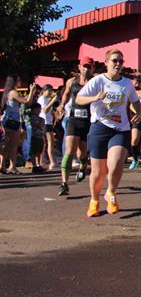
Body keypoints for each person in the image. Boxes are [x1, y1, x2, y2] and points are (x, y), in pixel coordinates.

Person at [76, 49, 141, 217]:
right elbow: (79, 99)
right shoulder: (98, 81)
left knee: (116, 163)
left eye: (120, 61)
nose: (118, 64)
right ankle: (94, 200)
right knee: (98, 172)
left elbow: (134, 100)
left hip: (120, 129)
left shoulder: (126, 83)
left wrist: (138, 113)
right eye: (114, 60)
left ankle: (111, 192)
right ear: (106, 63)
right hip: (100, 127)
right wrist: (95, 98)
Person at [57, 57, 95, 195]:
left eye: (89, 66)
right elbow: (66, 94)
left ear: (93, 68)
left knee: (82, 152)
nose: (86, 69)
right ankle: (64, 183)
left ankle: (83, 166)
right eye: (84, 66)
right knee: (70, 149)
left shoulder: (95, 82)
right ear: (79, 67)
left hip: (88, 120)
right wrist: (61, 105)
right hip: (73, 118)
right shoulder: (72, 81)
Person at [1, 77, 38, 174]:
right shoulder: (14, 92)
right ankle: (12, 167)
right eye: (19, 80)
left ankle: (2, 166)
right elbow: (27, 102)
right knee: (13, 145)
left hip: (7, 120)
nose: (20, 82)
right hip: (13, 121)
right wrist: (32, 91)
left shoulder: (7, 92)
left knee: (6, 145)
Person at [36, 84, 58, 170]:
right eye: (49, 91)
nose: (50, 93)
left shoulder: (46, 99)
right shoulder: (42, 99)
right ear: (44, 91)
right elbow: (44, 110)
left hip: (48, 122)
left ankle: (42, 161)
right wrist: (52, 101)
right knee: (50, 142)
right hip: (45, 122)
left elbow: (49, 110)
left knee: (46, 143)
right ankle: (52, 162)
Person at [27, 102, 47, 174]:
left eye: (39, 109)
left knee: (39, 151)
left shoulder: (40, 118)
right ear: (33, 110)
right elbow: (38, 124)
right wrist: (41, 122)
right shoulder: (32, 117)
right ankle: (34, 166)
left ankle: (38, 165)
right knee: (34, 152)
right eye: (37, 109)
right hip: (34, 136)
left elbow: (42, 125)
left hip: (40, 136)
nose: (39, 110)